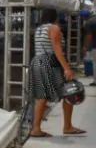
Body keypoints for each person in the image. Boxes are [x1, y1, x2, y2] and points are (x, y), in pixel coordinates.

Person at [29, 8, 84, 138]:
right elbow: (57, 49)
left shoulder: (39, 29)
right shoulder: (54, 29)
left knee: (42, 96)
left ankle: (36, 128)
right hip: (50, 62)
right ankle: (67, 126)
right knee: (69, 91)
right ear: (56, 17)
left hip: (37, 62)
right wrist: (67, 68)